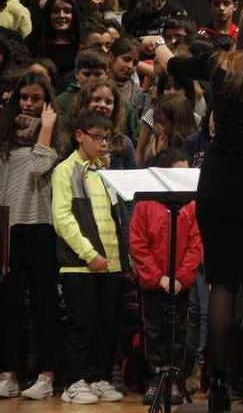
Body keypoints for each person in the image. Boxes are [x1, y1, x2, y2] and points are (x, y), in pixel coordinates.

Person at [142, 0, 243, 413]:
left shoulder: (220, 63)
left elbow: (172, 64)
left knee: (223, 284)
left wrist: (156, 40)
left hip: (219, 179)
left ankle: (218, 388)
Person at [52, 111, 129, 405]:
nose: (104, 143)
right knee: (81, 324)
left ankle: (99, 378)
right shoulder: (65, 170)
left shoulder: (104, 172)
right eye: (97, 137)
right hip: (80, 263)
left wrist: (124, 258)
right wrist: (89, 253)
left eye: (107, 137)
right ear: (79, 135)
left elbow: (117, 217)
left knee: (107, 324)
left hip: (112, 262)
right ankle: (75, 381)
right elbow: (62, 218)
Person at [0, 71, 59, 400]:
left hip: (40, 226)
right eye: (25, 97)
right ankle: (8, 372)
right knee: (8, 304)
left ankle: (46, 374)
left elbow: (38, 169)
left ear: (46, 100)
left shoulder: (54, 134)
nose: (29, 104)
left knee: (44, 303)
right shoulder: (5, 134)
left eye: (36, 98)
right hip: (8, 226)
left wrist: (47, 128)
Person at [130, 148, 203, 405]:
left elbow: (196, 243)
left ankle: (174, 380)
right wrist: (157, 276)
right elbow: (138, 244)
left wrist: (181, 277)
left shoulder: (192, 206)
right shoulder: (146, 204)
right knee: (154, 332)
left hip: (179, 285)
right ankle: (155, 378)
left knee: (178, 331)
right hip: (154, 284)